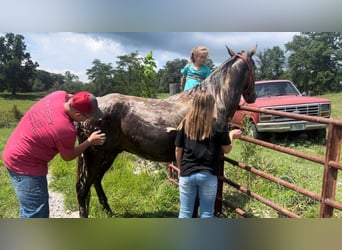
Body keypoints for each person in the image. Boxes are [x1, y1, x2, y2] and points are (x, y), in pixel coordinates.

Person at [2, 90, 106, 218]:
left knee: (28, 206)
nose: (89, 119)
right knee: (36, 212)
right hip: (25, 165)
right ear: (78, 115)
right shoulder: (65, 130)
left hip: (14, 148)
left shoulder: (58, 95)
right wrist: (90, 141)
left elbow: (71, 96)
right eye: (88, 117)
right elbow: (68, 156)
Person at [174, 91, 241, 218]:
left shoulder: (185, 123)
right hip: (208, 174)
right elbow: (226, 150)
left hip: (187, 173)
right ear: (211, 106)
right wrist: (231, 135)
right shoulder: (218, 124)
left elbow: (178, 149)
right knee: (206, 212)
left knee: (185, 212)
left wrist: (180, 168)